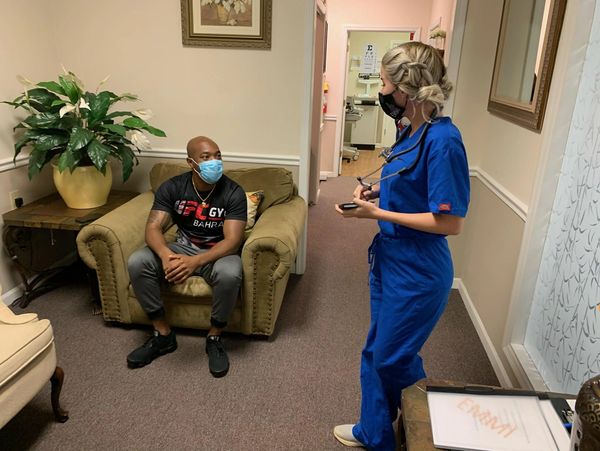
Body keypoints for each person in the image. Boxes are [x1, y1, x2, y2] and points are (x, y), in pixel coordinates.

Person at [333, 42, 470, 450]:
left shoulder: (444, 140)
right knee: (378, 349)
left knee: (393, 356)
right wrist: (375, 193)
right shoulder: (408, 128)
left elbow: (448, 221)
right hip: (389, 259)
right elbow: (409, 187)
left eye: (386, 82)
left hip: (420, 269)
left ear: (406, 89)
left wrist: (377, 216)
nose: (381, 89)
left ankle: (425, 430)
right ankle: (374, 432)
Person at [126, 136, 247, 378]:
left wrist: (196, 262)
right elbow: (152, 227)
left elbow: (232, 241)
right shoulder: (173, 187)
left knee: (230, 273)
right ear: (191, 162)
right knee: (137, 261)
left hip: (218, 252)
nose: (215, 161)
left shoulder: (233, 191)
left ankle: (214, 336)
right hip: (182, 248)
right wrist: (166, 255)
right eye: (206, 157)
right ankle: (162, 335)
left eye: (218, 155)